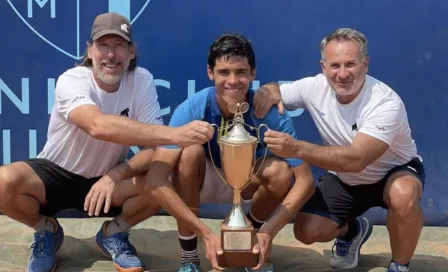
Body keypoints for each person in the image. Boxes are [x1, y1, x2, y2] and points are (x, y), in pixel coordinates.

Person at [0, 12, 213, 272]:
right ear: (90, 51)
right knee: (3, 182)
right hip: (54, 174)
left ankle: (114, 233)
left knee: (162, 177)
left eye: (119, 45)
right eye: (103, 45)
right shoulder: (71, 80)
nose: (111, 55)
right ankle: (46, 231)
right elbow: (97, 125)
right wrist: (174, 134)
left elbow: (155, 150)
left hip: (109, 180)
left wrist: (116, 173)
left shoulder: (142, 79)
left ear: (131, 52)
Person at [252, 28, 425, 272]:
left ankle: (400, 266)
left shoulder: (386, 102)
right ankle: (354, 230)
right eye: (335, 65)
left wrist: (296, 148)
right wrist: (267, 91)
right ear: (323, 67)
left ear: (366, 64)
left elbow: (357, 160)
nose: (342, 74)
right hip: (344, 179)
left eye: (350, 64)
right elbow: (274, 90)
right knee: (306, 230)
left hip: (393, 172)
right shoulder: (313, 87)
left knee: (402, 194)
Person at [145, 33, 314, 272]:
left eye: (241, 72)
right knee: (190, 153)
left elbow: (306, 181)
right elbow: (155, 179)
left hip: (246, 180)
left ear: (253, 74)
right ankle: (189, 256)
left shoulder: (270, 114)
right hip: (203, 179)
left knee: (280, 171)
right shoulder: (194, 107)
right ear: (210, 73)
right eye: (224, 72)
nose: (232, 81)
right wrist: (205, 233)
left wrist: (268, 232)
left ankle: (250, 243)